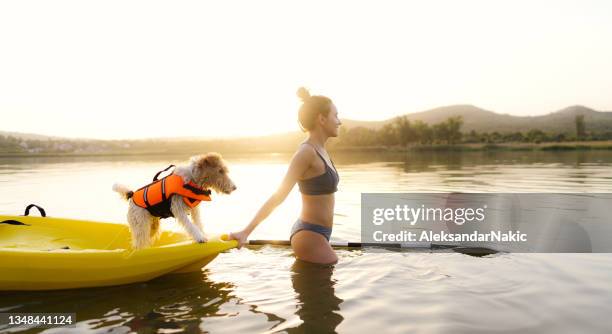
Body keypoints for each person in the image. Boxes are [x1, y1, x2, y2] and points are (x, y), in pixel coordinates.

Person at [229, 87, 341, 264]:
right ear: (321, 118)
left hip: (321, 234)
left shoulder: (322, 150)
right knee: (328, 275)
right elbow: (278, 196)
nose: (339, 121)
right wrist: (246, 231)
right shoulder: (306, 153)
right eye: (335, 115)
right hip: (309, 234)